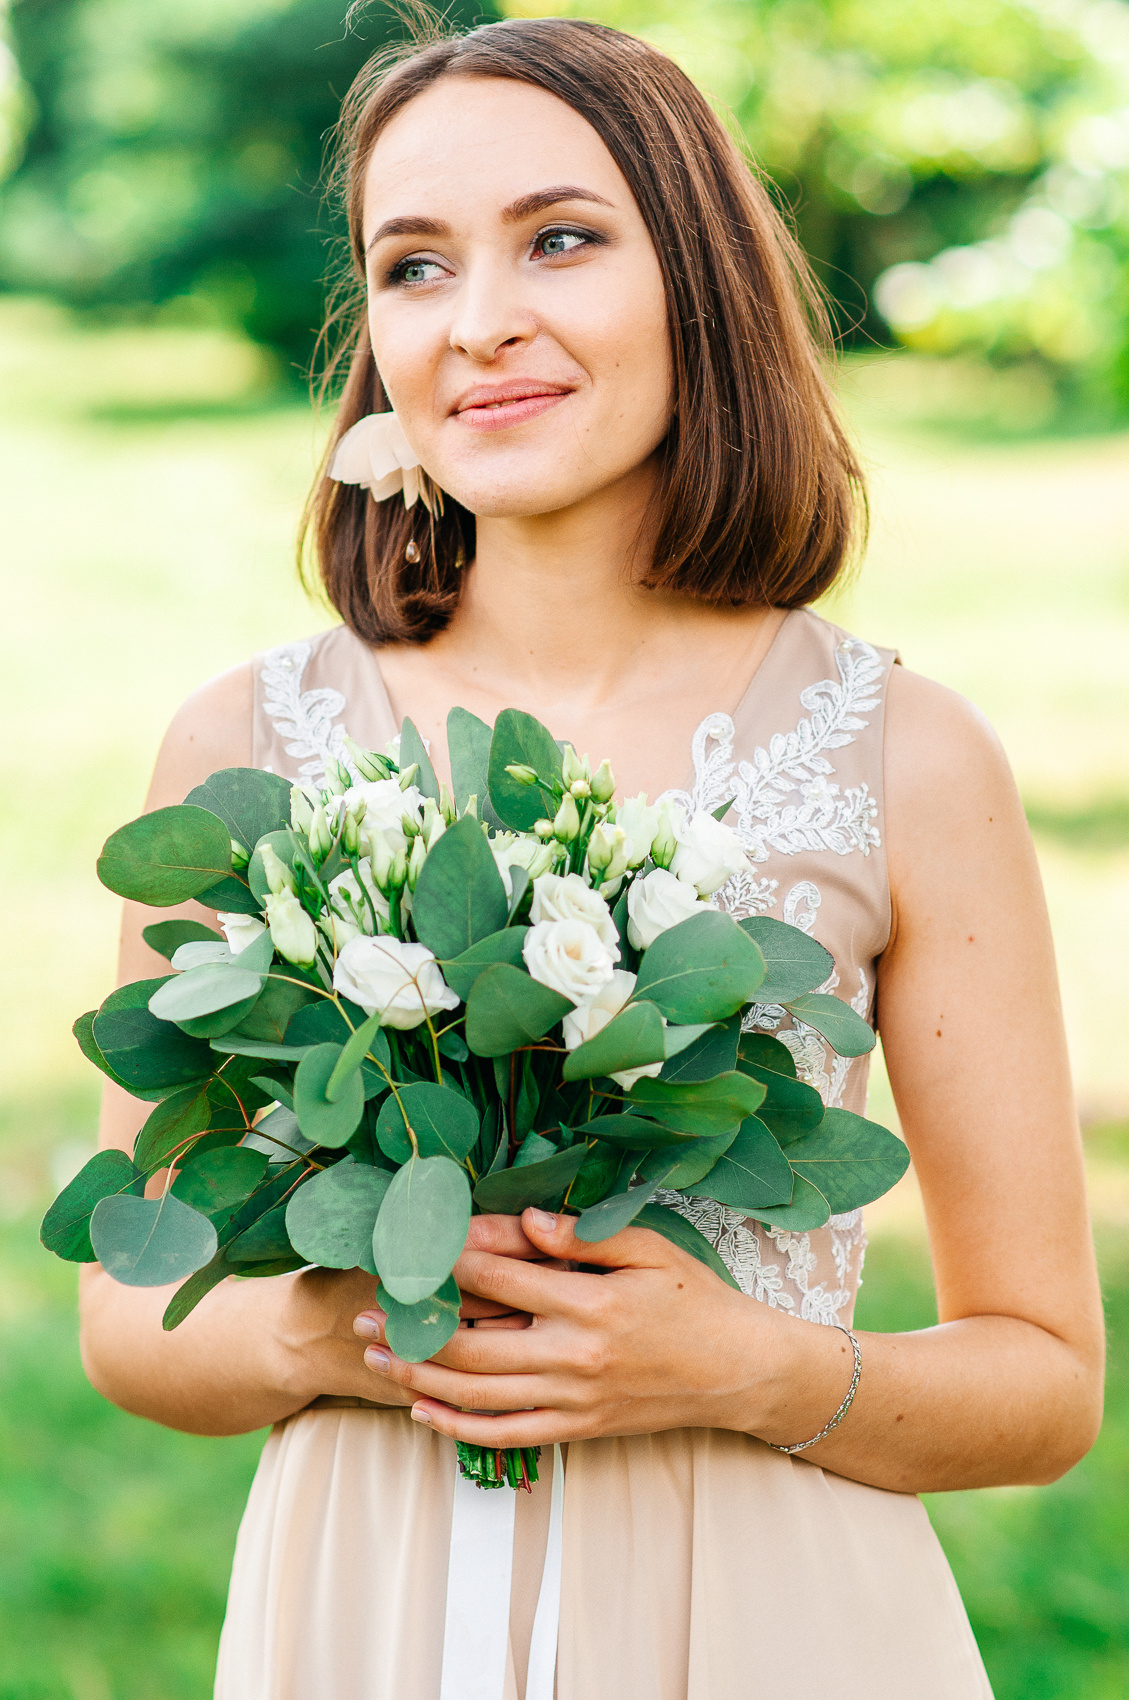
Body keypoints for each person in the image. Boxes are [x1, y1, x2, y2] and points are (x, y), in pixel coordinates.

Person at [79, 17, 1104, 1699]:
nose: (480, 323)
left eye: (559, 238)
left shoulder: (902, 757)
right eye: (414, 266)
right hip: (369, 1609)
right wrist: (326, 1330)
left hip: (774, 1614)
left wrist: (740, 1371)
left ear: (694, 281)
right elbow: (130, 1321)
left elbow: (1045, 1383)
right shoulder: (245, 752)